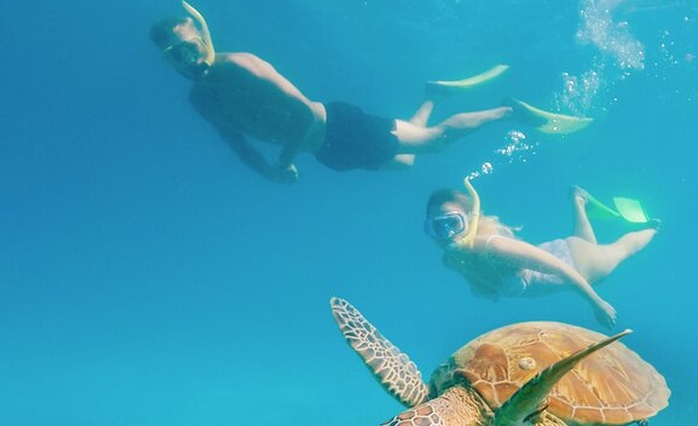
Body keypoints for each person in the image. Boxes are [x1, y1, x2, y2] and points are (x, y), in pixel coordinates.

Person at [150, 3, 587, 183]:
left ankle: (507, 111)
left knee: (434, 143)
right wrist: (266, 171)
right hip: (328, 153)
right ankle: (433, 95)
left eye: (190, 45)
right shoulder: (199, 101)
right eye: (175, 54)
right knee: (405, 162)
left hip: (339, 126)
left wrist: (282, 161)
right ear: (168, 63)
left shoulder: (241, 65)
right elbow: (235, 142)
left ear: (201, 37)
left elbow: (302, 113)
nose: (188, 57)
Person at [424, 176, 660, 328]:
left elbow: (562, 269)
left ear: (471, 220)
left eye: (452, 223)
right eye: (437, 227)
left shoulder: (492, 246)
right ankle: (578, 200)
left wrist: (597, 305)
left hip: (576, 263)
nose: (447, 234)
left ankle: (654, 228)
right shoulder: (452, 260)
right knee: (587, 244)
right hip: (566, 250)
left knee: (619, 252)